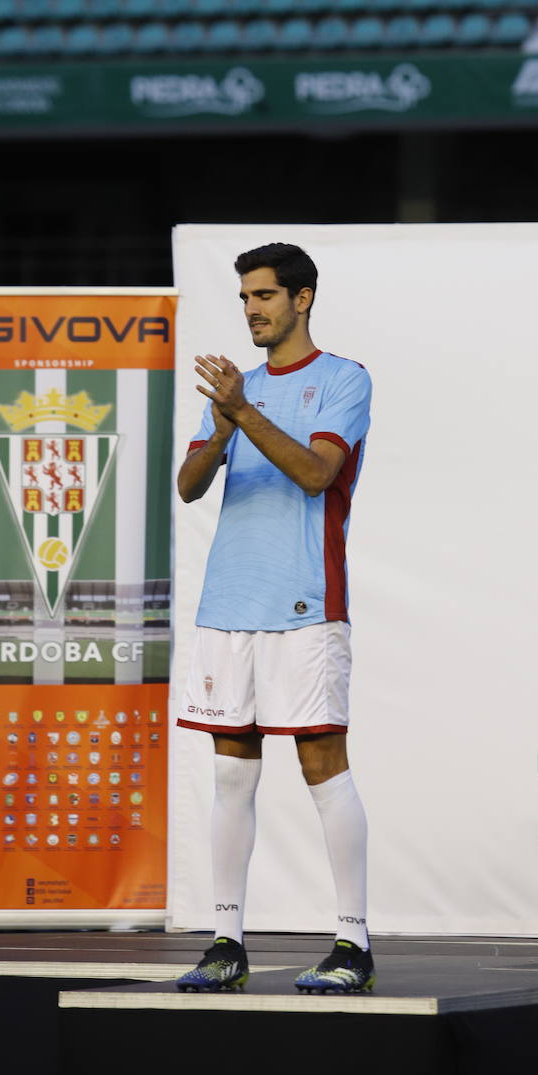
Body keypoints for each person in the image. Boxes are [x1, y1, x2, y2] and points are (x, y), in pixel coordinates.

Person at [175, 242, 374, 996]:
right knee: (231, 773)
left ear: (302, 298)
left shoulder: (344, 379)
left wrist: (242, 411)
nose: (252, 310)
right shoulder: (238, 390)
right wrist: (225, 422)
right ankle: (226, 941)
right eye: (244, 298)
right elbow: (190, 484)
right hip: (229, 604)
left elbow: (318, 472)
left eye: (263, 295)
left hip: (305, 604)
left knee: (323, 767)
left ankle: (353, 943)